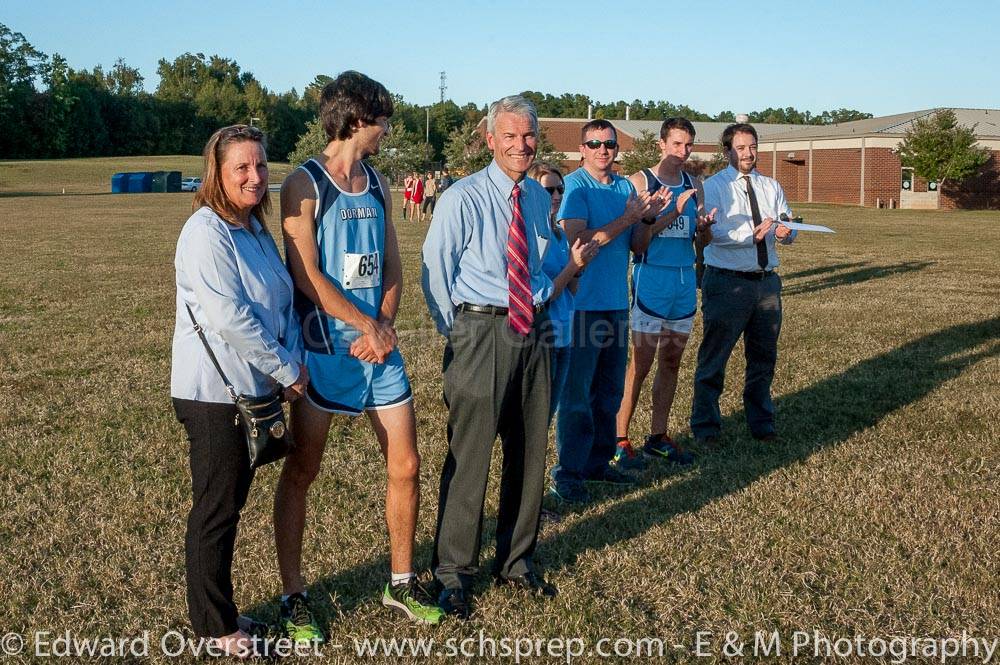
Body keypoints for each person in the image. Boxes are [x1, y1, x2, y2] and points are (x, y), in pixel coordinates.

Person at [274, 71, 444, 639]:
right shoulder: (303, 184)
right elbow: (308, 277)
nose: (387, 130)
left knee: (407, 464)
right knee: (304, 469)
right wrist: (364, 323)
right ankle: (294, 593)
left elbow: (393, 264)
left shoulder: (378, 182)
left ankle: (400, 582)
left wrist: (386, 325)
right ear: (355, 119)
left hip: (381, 349)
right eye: (382, 119)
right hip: (326, 350)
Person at [171, 124, 308, 658]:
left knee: (229, 504)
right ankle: (213, 626)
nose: (255, 177)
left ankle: (220, 607)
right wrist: (287, 369)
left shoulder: (254, 228)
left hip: (252, 388)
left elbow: (280, 303)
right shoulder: (206, 232)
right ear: (217, 174)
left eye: (260, 166)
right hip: (213, 395)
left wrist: (290, 360)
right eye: (241, 169)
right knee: (216, 509)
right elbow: (229, 317)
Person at [422, 95, 558, 619]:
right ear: (489, 139)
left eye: (528, 136)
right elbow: (435, 271)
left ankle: (517, 563)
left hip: (533, 331)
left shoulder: (537, 198)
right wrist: (455, 336)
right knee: (470, 456)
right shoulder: (462, 197)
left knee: (528, 456)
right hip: (479, 330)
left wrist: (540, 292)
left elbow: (541, 257)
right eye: (510, 136)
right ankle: (453, 574)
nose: (521, 146)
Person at [550, 119, 667, 505]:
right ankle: (568, 473)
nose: (603, 150)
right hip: (582, 308)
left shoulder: (623, 188)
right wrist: (629, 218)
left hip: (617, 304)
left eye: (609, 144)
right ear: (581, 149)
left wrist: (647, 217)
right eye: (594, 143)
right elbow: (580, 242)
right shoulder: (575, 188)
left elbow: (637, 246)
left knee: (609, 392)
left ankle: (599, 462)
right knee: (577, 396)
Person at [614, 118, 716, 470]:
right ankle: (620, 439)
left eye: (688, 145)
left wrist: (705, 229)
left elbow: (701, 242)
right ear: (661, 144)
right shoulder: (641, 181)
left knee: (671, 361)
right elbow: (637, 244)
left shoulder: (694, 184)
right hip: (651, 281)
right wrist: (670, 210)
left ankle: (657, 437)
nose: (682, 152)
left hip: (684, 283)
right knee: (640, 365)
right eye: (676, 145)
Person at [690, 122, 797, 444]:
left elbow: (786, 223)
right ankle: (706, 427)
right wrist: (752, 236)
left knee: (764, 357)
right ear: (727, 151)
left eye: (752, 146)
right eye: (741, 148)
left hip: (766, 283)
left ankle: (761, 424)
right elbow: (713, 235)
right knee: (715, 357)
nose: (749, 153)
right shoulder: (715, 187)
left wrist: (786, 231)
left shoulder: (771, 186)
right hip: (727, 283)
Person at [526, 162, 597, 419]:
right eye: (549, 190)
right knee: (537, 415)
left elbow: (572, 290)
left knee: (548, 412)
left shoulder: (558, 234)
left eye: (560, 189)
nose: (556, 196)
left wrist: (578, 267)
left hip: (565, 333)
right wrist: (573, 265)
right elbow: (544, 295)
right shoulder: (532, 235)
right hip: (544, 335)